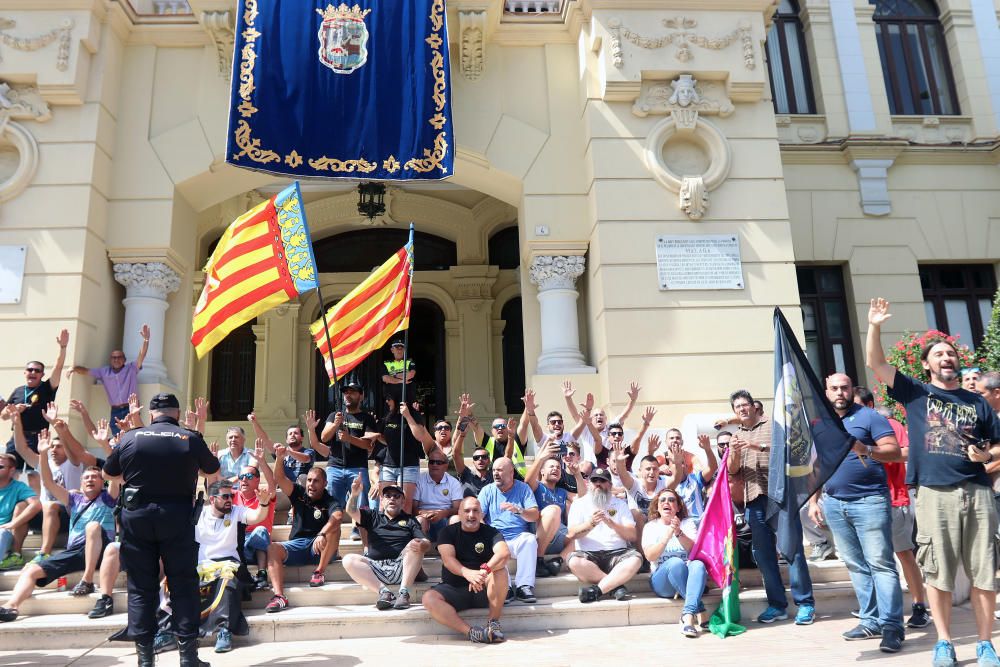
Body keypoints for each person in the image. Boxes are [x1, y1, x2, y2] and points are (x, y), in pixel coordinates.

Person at [867, 297, 1000, 667]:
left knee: (984, 572)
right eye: (939, 354)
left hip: (977, 493)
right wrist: (875, 325)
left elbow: (998, 443)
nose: (947, 358)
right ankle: (944, 642)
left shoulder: (979, 404)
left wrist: (987, 456)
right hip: (932, 493)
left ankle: (986, 644)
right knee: (938, 573)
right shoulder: (915, 393)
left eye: (951, 354)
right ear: (926, 365)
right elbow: (876, 363)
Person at [101, 392, 220, 667]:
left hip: (137, 516)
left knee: (141, 587)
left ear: (152, 414)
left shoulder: (131, 437)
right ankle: (188, 657)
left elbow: (108, 472)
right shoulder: (190, 438)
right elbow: (212, 469)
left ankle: (145, 659)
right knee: (183, 585)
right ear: (176, 413)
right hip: (176, 516)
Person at [807, 373, 904, 653]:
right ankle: (870, 621)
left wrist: (868, 449)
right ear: (826, 392)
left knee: (880, 564)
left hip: (870, 501)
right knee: (856, 565)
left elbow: (894, 451)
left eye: (845, 388)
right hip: (835, 503)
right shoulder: (822, 423)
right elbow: (819, 464)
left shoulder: (870, 417)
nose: (840, 392)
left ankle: (892, 626)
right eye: (834, 388)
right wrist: (815, 501)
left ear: (852, 390)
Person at [0, 440, 117, 623]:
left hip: (103, 550)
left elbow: (115, 474)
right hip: (75, 552)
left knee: (93, 526)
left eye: (95, 477)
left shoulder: (109, 497)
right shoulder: (74, 499)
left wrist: (107, 447)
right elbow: (47, 482)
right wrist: (43, 455)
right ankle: (11, 606)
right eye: (86, 477)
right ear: (80, 483)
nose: (90, 480)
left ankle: (87, 580)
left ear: (103, 482)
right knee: (31, 570)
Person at [726, 388, 815, 625]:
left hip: (780, 496)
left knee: (792, 548)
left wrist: (757, 448)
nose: (742, 409)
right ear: (734, 411)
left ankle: (805, 603)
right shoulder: (736, 435)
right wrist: (734, 453)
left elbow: (788, 451)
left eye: (745, 405)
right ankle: (777, 605)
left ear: (754, 406)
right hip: (754, 500)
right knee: (764, 556)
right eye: (737, 407)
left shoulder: (773, 426)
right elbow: (733, 471)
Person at [854, 386, 930, 629]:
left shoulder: (889, 424)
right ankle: (877, 610)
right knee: (870, 558)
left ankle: (920, 607)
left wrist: (873, 452)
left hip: (894, 497)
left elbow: (908, 453)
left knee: (903, 553)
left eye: (857, 406)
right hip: (862, 501)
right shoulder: (851, 427)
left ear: (869, 406)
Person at [192, 480, 269, 652]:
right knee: (170, 582)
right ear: (212, 499)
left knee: (227, 579)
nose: (230, 500)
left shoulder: (236, 512)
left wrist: (263, 502)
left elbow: (258, 516)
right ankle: (166, 631)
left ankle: (223, 631)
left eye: (232, 496)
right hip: (203, 566)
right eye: (225, 496)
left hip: (230, 564)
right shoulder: (198, 514)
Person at [421, 496, 510, 644]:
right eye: (467, 511)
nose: (471, 515)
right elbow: (448, 560)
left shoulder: (491, 532)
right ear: (460, 514)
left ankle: (493, 623)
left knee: (500, 571)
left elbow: (504, 553)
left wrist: (484, 571)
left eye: (475, 511)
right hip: (454, 588)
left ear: (481, 514)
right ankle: (472, 632)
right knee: (428, 598)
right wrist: (468, 574)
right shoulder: (447, 532)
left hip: (484, 587)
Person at [265, 449, 342, 610]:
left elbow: (338, 516)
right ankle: (279, 596)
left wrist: (322, 534)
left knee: (335, 528)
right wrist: (279, 458)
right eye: (309, 480)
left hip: (320, 547)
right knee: (272, 548)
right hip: (298, 545)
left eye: (316, 481)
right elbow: (279, 478)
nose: (311, 485)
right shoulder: (298, 493)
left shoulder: (330, 500)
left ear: (325, 484)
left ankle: (319, 572)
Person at [343, 475, 429, 611]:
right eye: (388, 496)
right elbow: (351, 511)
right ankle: (385, 593)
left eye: (396, 496)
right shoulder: (372, 516)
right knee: (348, 559)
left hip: (401, 568)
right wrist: (355, 493)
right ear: (382, 501)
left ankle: (403, 593)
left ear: (402, 502)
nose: (392, 499)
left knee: (415, 543)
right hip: (376, 568)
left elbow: (424, 541)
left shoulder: (410, 520)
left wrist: (423, 546)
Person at [0, 329, 69, 492]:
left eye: (37, 371)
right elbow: (3, 416)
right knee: (11, 473)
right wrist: (13, 411)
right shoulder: (18, 391)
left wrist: (63, 348)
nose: (33, 373)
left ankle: (37, 510)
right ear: (25, 373)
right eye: (30, 370)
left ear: (42, 374)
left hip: (38, 437)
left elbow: (58, 367)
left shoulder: (46, 388)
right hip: (17, 438)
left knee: (34, 475)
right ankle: (8, 506)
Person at [566, 467, 642, 603]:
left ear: (610, 485)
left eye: (603, 480)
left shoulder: (620, 504)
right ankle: (614, 586)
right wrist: (590, 524)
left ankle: (597, 590)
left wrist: (612, 524)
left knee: (636, 559)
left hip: (617, 554)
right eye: (595, 480)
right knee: (574, 561)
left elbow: (632, 536)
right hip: (588, 555)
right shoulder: (579, 504)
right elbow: (572, 533)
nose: (598, 484)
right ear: (589, 483)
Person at [642, 488, 705, 638]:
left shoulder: (687, 524)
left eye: (671, 500)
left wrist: (678, 532)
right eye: (662, 500)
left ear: (678, 507)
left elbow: (694, 551)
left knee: (698, 565)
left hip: (686, 577)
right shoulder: (650, 527)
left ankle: (688, 616)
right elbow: (650, 556)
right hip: (662, 582)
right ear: (657, 506)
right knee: (676, 563)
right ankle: (701, 610)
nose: (667, 503)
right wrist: (668, 533)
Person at [65, 324, 149, 434]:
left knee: (134, 435)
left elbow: (141, 355)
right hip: (115, 410)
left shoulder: (131, 368)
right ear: (110, 360)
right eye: (114, 357)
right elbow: (86, 371)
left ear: (124, 360)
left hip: (131, 409)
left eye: (119, 357)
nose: (116, 360)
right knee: (117, 437)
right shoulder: (103, 372)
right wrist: (73, 369)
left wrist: (146, 340)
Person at [318, 383, 378, 539]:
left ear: (361, 396)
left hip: (357, 467)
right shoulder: (334, 415)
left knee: (361, 503)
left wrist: (349, 438)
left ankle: (359, 530)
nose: (348, 395)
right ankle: (329, 536)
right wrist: (336, 424)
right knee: (332, 505)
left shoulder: (367, 418)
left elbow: (368, 444)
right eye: (346, 393)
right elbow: (324, 437)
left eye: (352, 392)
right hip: (335, 467)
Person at [478, 457, 539, 603]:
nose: (495, 473)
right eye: (493, 470)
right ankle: (505, 587)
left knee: (530, 540)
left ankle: (524, 586)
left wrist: (518, 510)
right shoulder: (487, 490)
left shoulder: (523, 489)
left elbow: (535, 515)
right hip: (496, 538)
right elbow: (478, 516)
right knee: (491, 545)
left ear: (511, 472)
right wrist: (487, 532)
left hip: (518, 537)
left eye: (499, 470)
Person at [231, 440, 278, 590]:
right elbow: (213, 488)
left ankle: (262, 574)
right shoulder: (231, 495)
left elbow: (273, 484)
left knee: (260, 531)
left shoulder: (263, 496)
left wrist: (262, 462)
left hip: (258, 545)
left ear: (258, 480)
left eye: (249, 477)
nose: (244, 479)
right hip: (237, 546)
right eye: (241, 476)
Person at [524, 443, 575, 578]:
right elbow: (528, 482)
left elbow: (583, 500)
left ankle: (557, 561)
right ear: (542, 471)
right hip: (539, 532)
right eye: (551, 466)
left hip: (558, 535)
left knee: (585, 537)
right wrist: (541, 458)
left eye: (558, 467)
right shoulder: (537, 486)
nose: (555, 469)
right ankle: (538, 560)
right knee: (553, 510)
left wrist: (578, 475)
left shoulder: (562, 492)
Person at [378, 399, 433, 513]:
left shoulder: (413, 414)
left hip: (408, 465)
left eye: (389, 399)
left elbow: (420, 436)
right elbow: (382, 436)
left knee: (404, 506)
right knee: (384, 505)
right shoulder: (388, 416)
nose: (387, 401)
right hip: (388, 464)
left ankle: (402, 530)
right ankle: (383, 530)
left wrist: (407, 416)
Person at [412, 447, 462, 540]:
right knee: (420, 520)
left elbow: (457, 508)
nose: (435, 465)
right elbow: (413, 508)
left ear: (446, 465)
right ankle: (422, 550)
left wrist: (443, 513)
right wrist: (424, 513)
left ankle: (455, 551)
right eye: (432, 462)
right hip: (425, 519)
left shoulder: (454, 482)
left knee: (456, 519)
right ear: (428, 464)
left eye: (438, 462)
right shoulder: (419, 480)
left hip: (446, 518)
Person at [666, 433, 717, 523]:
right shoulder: (666, 484)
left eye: (682, 463)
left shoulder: (695, 479)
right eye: (676, 464)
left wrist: (708, 449)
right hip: (676, 524)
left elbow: (712, 468)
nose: (680, 467)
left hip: (697, 523)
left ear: (686, 466)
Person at [452, 395, 492, 497]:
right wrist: (462, 433)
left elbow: (478, 429)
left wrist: (469, 414)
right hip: (469, 511)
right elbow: (456, 454)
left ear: (489, 460)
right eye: (476, 457)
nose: (480, 459)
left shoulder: (495, 476)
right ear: (473, 461)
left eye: (484, 457)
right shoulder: (466, 474)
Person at [381, 338, 415, 403]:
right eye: (397, 348)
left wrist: (393, 376)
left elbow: (410, 375)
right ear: (392, 350)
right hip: (391, 397)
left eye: (401, 348)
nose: (399, 350)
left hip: (407, 397)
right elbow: (385, 378)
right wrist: (402, 380)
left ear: (404, 350)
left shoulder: (409, 361)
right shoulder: (386, 363)